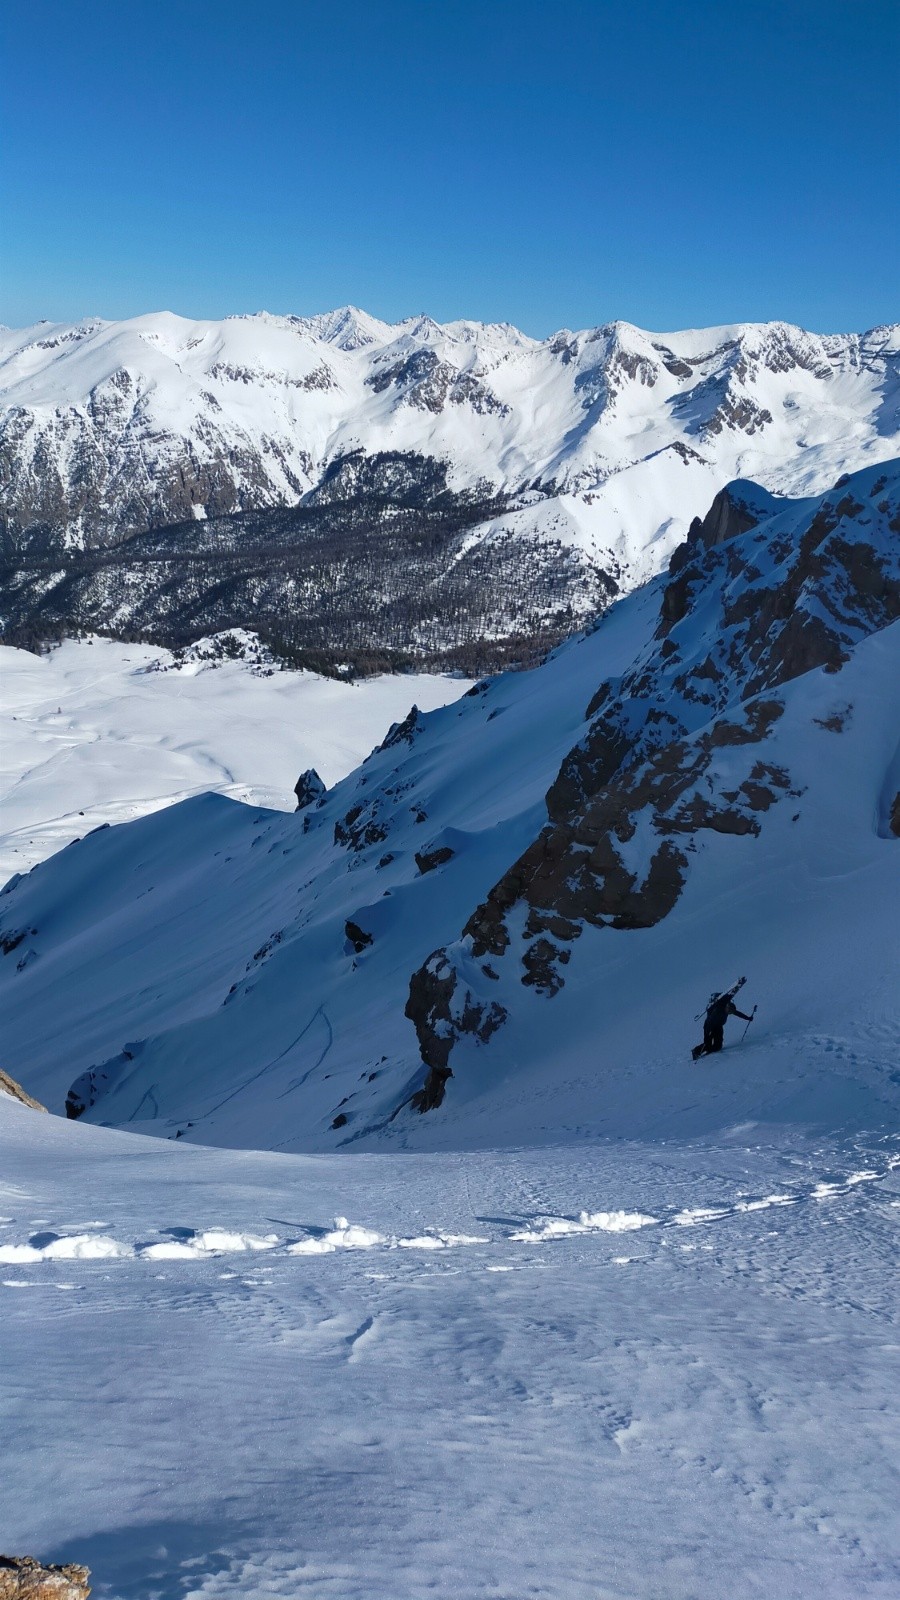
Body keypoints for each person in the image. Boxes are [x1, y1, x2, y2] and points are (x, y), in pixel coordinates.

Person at [692, 986, 753, 1060]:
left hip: (718, 1026)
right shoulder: (717, 1011)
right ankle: (696, 1051)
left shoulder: (729, 1007)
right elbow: (709, 1022)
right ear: (726, 1008)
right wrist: (708, 1034)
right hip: (710, 1026)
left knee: (718, 1046)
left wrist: (748, 1018)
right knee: (707, 1044)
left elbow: (738, 1013)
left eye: (730, 1012)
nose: (729, 1013)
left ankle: (712, 1049)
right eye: (729, 1012)